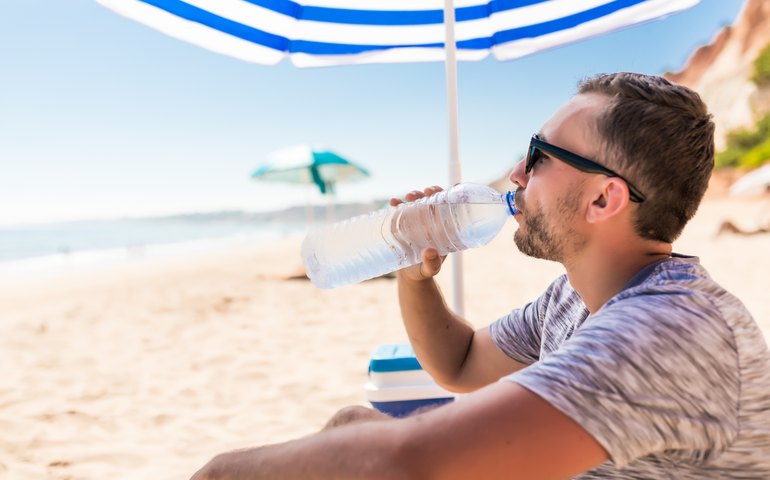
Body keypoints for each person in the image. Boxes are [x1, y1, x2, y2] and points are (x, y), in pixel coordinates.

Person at [190, 73, 770, 479]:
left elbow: (408, 466)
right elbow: (460, 363)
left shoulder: (669, 329)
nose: (517, 170)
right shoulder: (575, 294)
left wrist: (219, 473)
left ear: (603, 200)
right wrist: (415, 272)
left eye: (540, 155)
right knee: (348, 424)